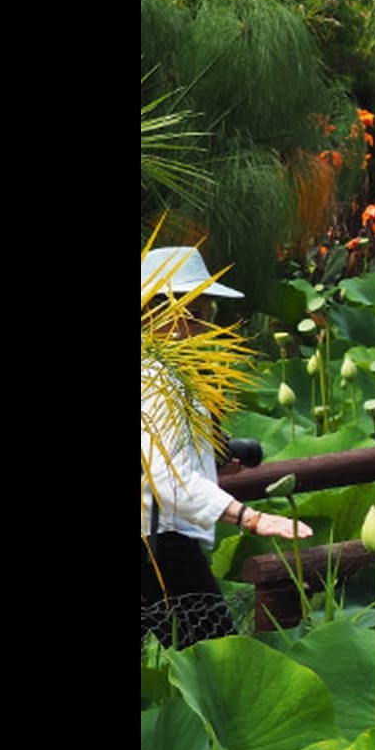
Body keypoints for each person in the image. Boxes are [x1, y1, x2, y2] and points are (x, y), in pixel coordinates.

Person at [143, 246, 313, 645]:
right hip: (158, 541)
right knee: (217, 656)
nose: (202, 328)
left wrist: (212, 461)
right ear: (157, 316)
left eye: (205, 314)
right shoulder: (158, 378)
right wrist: (249, 517)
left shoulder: (160, 370)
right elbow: (167, 479)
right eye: (194, 314)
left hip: (158, 535)